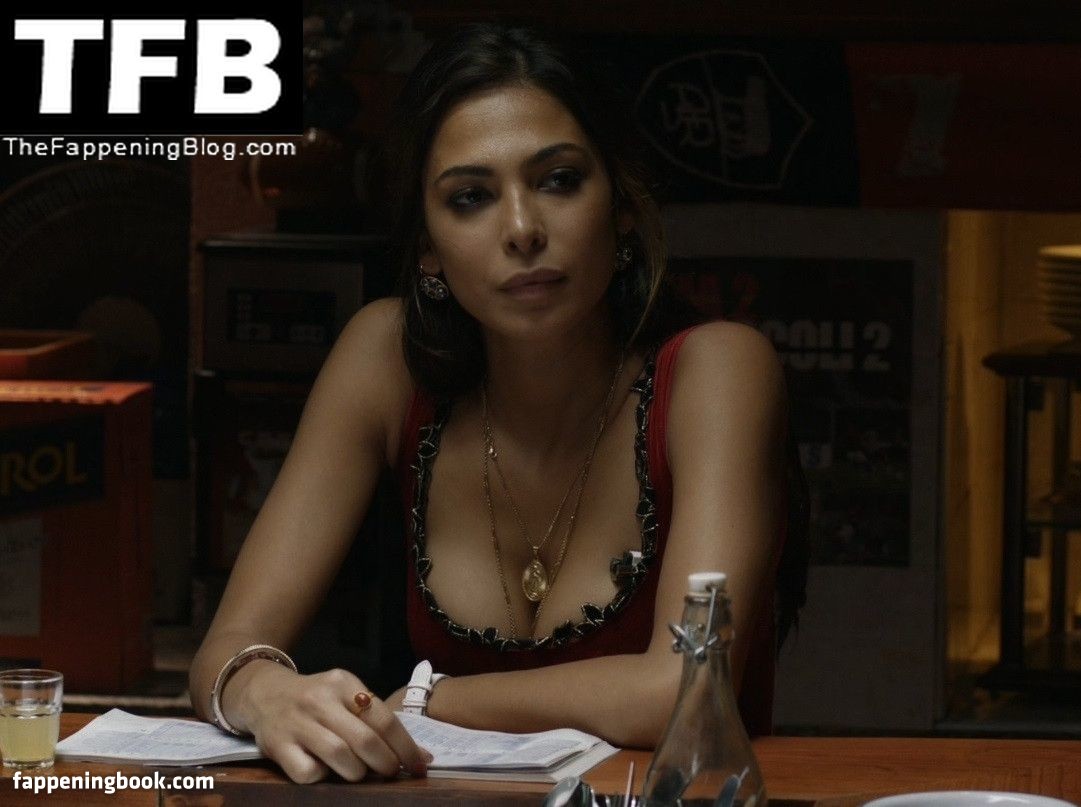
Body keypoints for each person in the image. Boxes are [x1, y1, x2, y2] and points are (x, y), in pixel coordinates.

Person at [189, 24, 806, 784]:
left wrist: (430, 700)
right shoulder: (385, 359)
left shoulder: (717, 370)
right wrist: (265, 694)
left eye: (559, 180)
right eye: (471, 197)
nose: (521, 230)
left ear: (621, 206)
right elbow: (226, 651)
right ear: (427, 247)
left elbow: (682, 689)